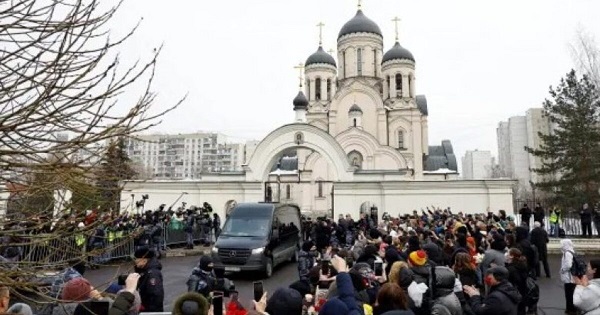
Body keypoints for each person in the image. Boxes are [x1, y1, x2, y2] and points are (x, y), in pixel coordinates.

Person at [134, 247, 164, 312]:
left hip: (149, 310)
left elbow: (156, 295)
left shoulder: (152, 274)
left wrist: (150, 312)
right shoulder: (143, 270)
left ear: (144, 260)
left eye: (137, 258)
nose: (135, 261)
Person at [505, 248, 529, 315]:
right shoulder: (522, 265)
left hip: (513, 295)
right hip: (522, 294)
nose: (506, 254)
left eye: (508, 253)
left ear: (512, 256)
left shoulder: (510, 269)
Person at [560, 239, 577, 315]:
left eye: (562, 244)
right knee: (571, 293)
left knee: (569, 294)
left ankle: (570, 309)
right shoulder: (571, 251)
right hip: (572, 277)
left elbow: (568, 265)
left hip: (569, 277)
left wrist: (562, 270)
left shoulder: (567, 253)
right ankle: (571, 308)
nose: (561, 246)